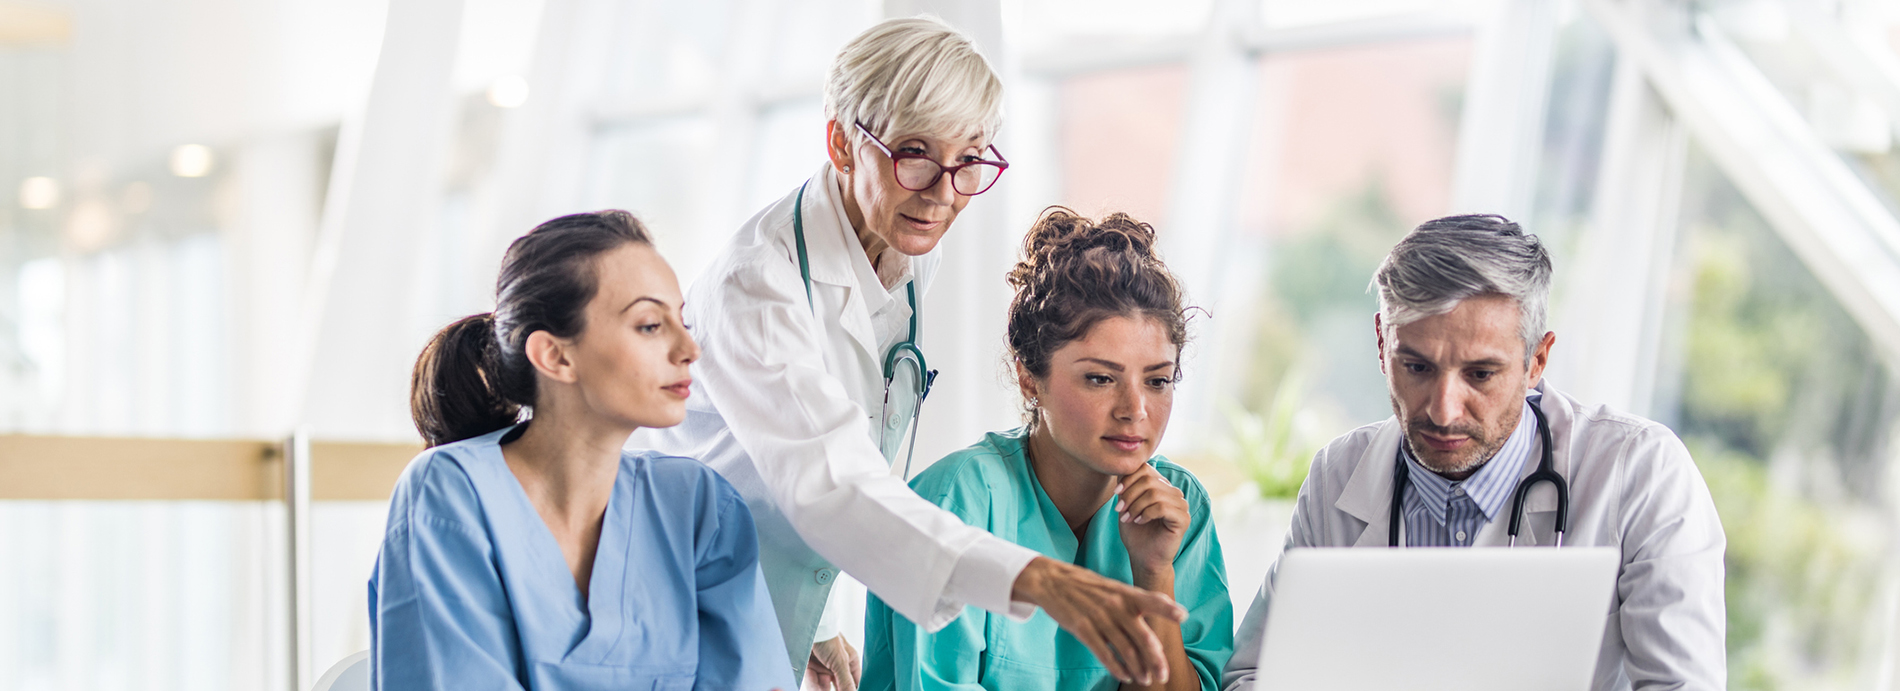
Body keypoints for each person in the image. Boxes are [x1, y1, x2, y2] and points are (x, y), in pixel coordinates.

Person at [635, 16, 1187, 690]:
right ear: (841, 141)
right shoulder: (756, 283)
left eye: (969, 159)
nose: (943, 192)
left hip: (762, 601)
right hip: (678, 605)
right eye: (915, 152)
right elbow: (829, 481)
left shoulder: (908, 243)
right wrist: (1036, 577)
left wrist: (817, 620)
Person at [1220, 214, 1726, 691]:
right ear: (1381, 343)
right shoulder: (1339, 476)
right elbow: (1253, 677)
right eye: (1416, 367)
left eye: (1480, 374)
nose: (1443, 411)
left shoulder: (1640, 472)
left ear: (1537, 360)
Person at [370, 211, 793, 690]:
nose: (689, 349)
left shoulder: (700, 507)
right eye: (651, 325)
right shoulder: (450, 493)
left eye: (683, 320)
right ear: (556, 355)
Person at [860, 209, 1233, 690]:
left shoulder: (1182, 508)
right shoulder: (957, 502)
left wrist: (1155, 570)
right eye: (1100, 378)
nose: (1135, 410)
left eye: (1158, 380)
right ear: (1028, 376)